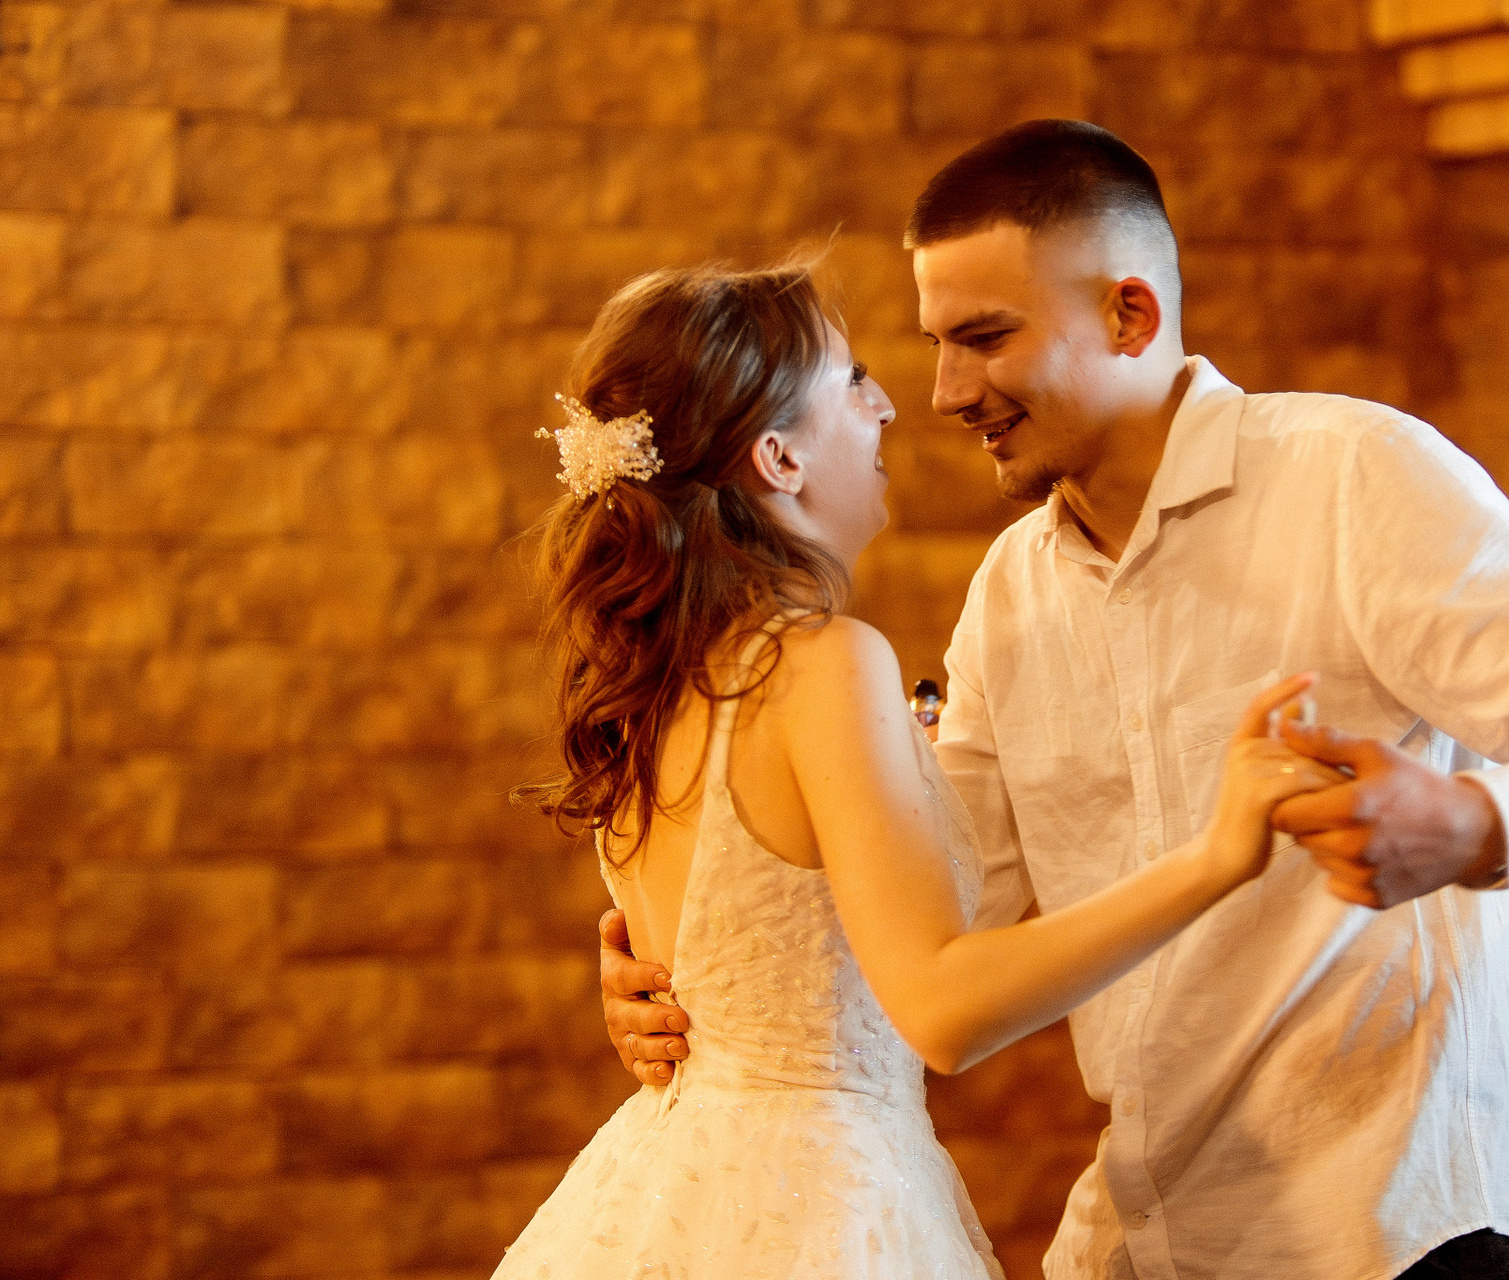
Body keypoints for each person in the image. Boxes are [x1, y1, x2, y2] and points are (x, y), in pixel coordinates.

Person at [600, 122, 1509, 1280]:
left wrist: (1475, 823)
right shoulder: (1009, 595)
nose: (943, 392)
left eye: (985, 338)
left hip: (1394, 1225)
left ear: (1130, 316)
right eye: (936, 344)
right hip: (1145, 1237)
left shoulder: (1354, 477)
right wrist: (684, 971)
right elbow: (936, 924)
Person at [493, 261, 1340, 1279]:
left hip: (663, 1190)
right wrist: (1219, 854)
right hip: (813, 1205)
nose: (890, 403)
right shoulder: (821, 663)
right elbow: (939, 1005)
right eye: (852, 379)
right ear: (778, 458)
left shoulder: (648, 688)